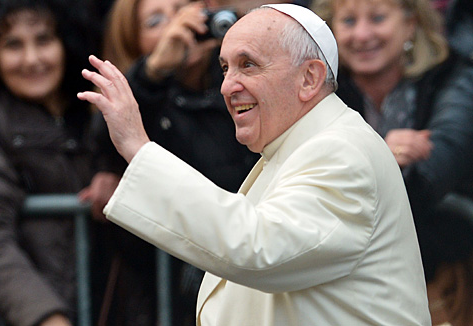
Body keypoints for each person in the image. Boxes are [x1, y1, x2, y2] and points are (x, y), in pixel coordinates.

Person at [78, 3, 431, 325]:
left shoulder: (340, 151)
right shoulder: (295, 146)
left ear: (309, 77)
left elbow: (258, 247)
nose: (227, 86)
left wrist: (139, 149)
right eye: (224, 67)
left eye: (248, 65)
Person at [311, 0, 473, 324]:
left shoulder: (451, 75)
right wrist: (382, 154)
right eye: (348, 21)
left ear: (410, 24)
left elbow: (438, 169)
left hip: (439, 264)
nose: (363, 34)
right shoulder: (316, 90)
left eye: (378, 18)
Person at [0, 0, 94, 324]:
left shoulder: (96, 111)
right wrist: (45, 316)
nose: (32, 59)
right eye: (13, 45)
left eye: (43, 39)